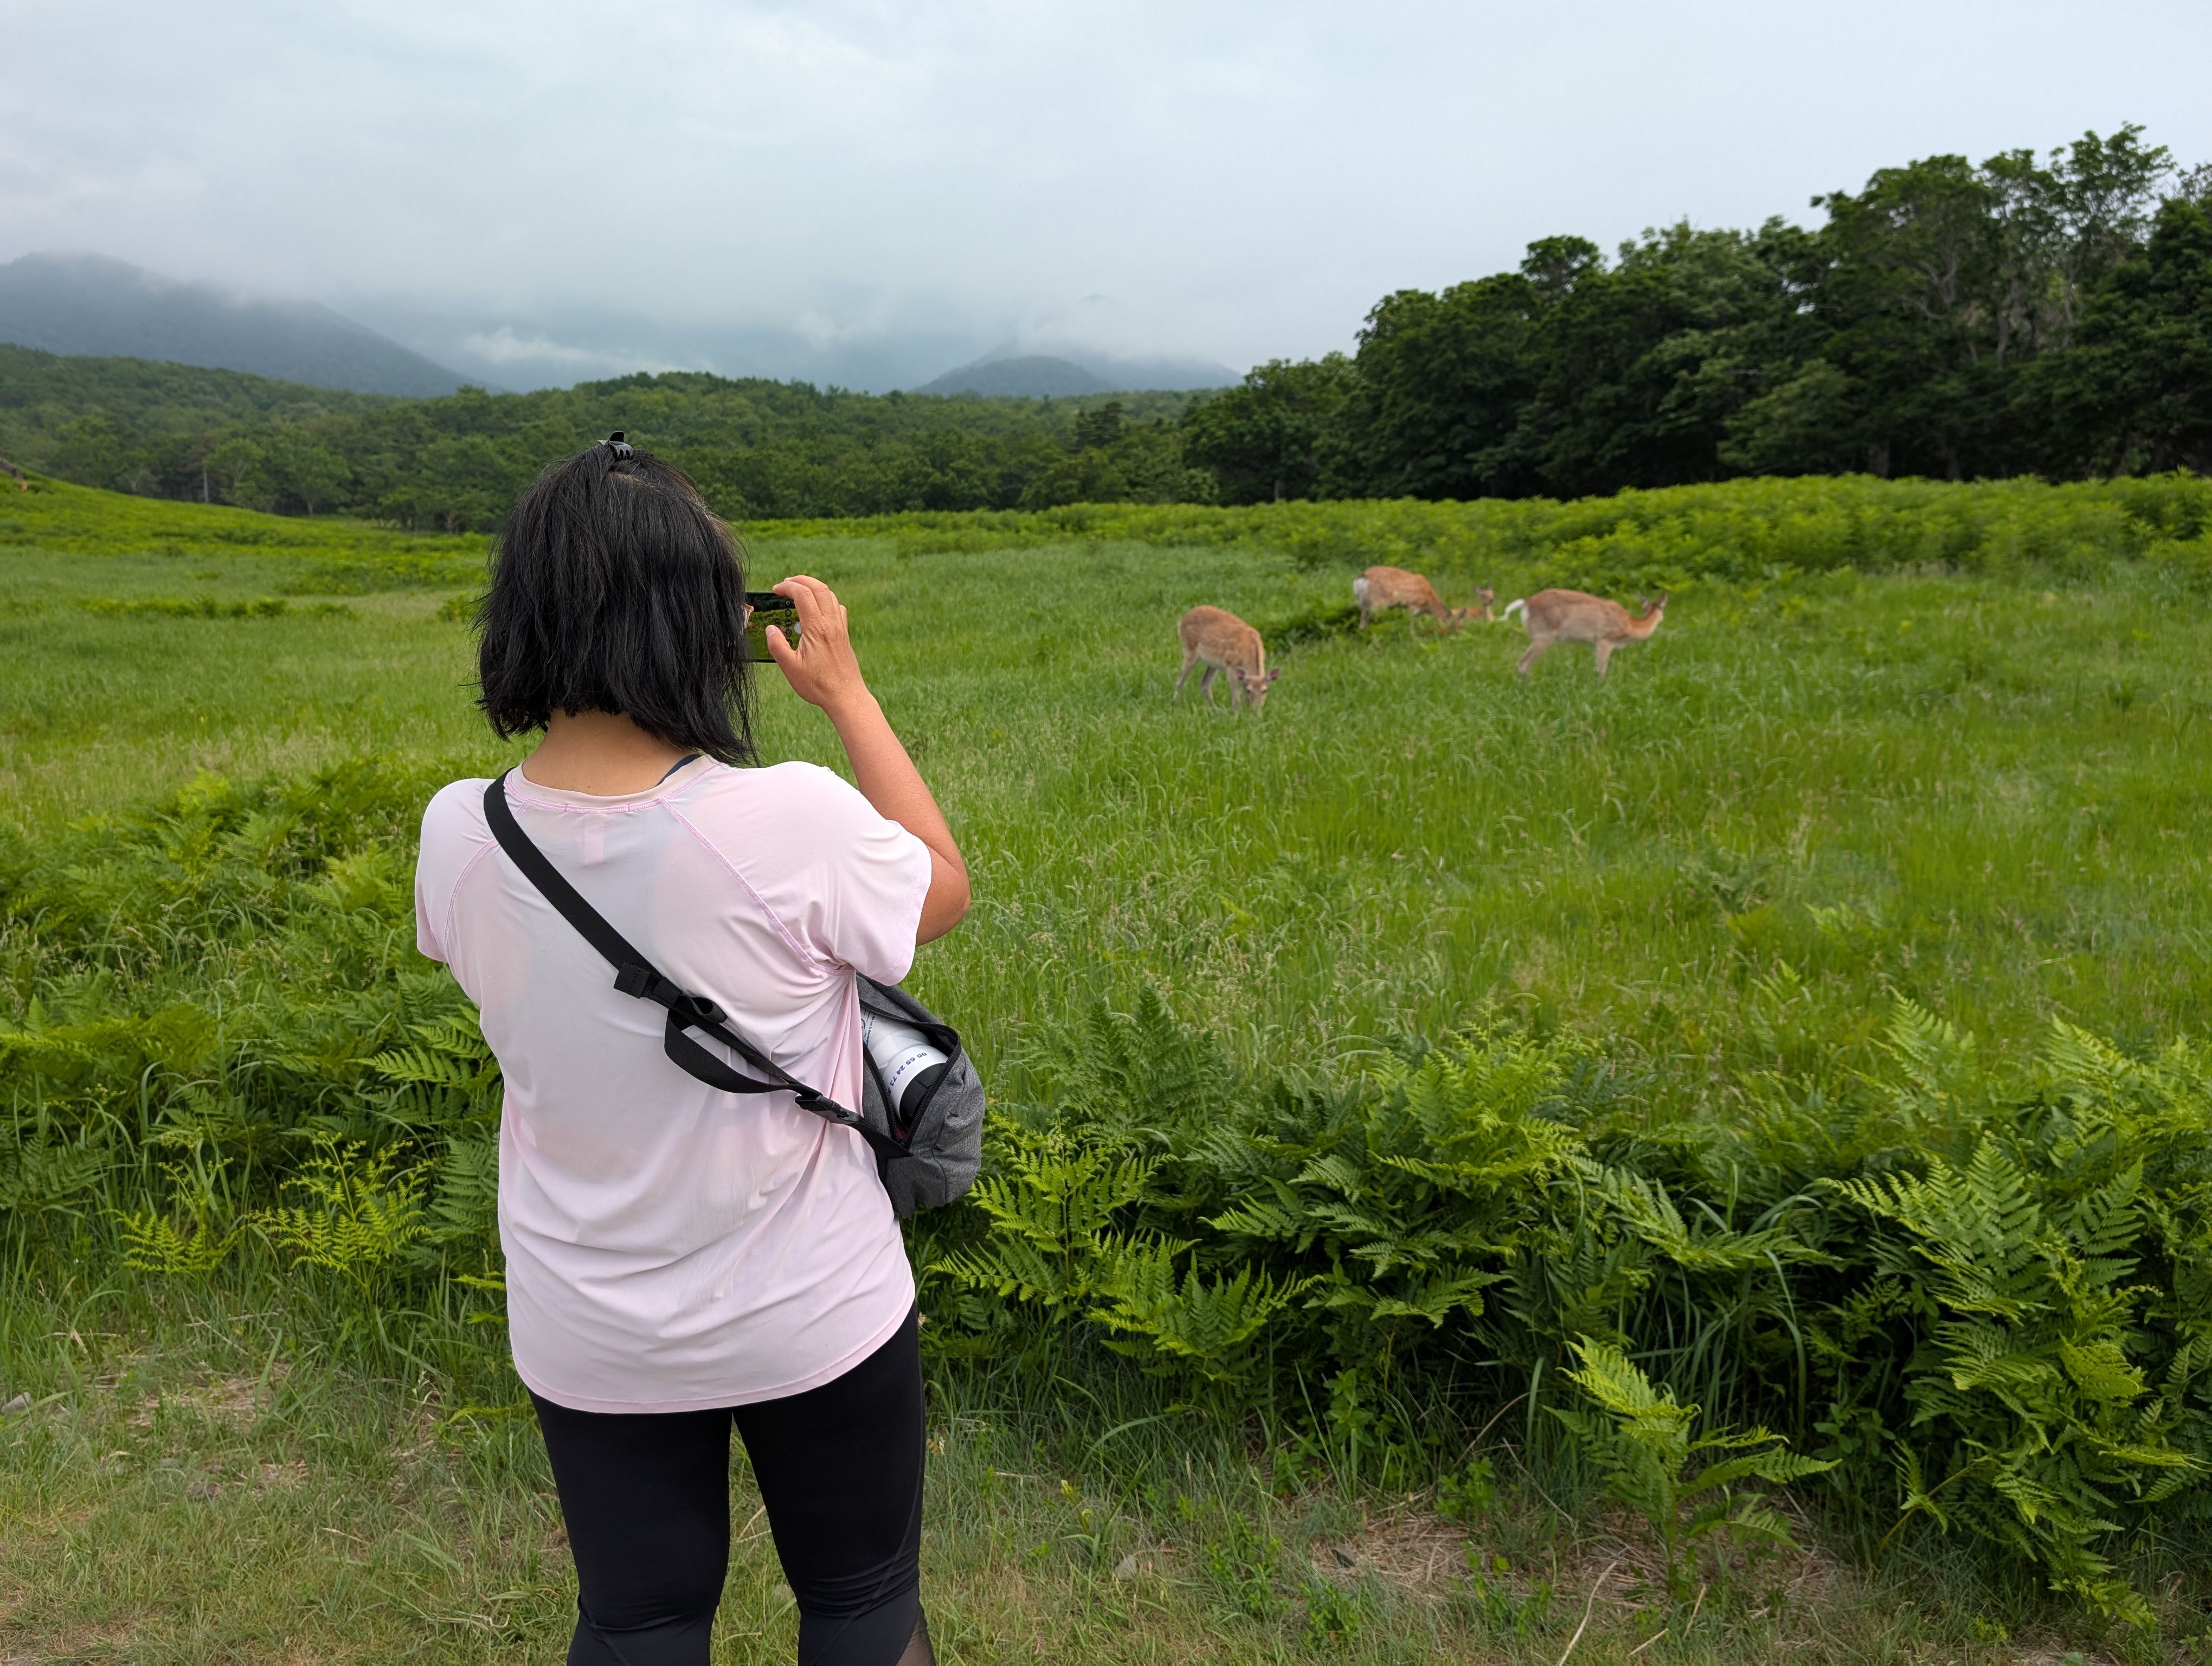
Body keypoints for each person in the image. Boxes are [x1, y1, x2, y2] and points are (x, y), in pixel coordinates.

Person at [412, 435, 969, 1666]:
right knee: (864, 1600)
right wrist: (850, 698)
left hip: (587, 1318)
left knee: (638, 1620)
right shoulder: (787, 816)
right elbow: (939, 888)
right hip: (811, 1303)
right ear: (701, 624)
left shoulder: (460, 832)